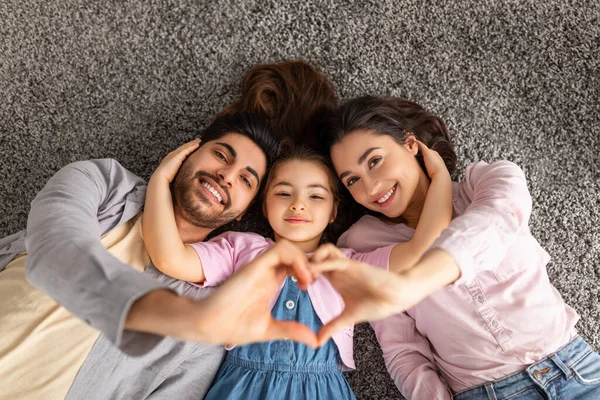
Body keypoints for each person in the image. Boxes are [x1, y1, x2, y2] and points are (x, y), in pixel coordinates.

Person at [0, 60, 344, 399]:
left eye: (246, 179)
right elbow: (54, 249)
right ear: (189, 150)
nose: (227, 175)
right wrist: (159, 181)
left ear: (246, 212)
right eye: (222, 155)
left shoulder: (206, 334)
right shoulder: (104, 184)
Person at [315, 95, 600, 399]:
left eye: (374, 161)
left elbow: (490, 225)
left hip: (578, 370)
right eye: (352, 181)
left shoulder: (487, 181)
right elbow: (403, 351)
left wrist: (416, 280)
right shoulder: (362, 245)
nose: (370, 188)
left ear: (411, 145)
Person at [136, 134, 451, 399]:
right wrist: (160, 179)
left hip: (322, 388)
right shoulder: (239, 248)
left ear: (332, 211)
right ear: (264, 204)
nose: (298, 204)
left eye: (315, 196)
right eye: (284, 193)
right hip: (244, 385)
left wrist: (440, 179)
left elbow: (421, 252)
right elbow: (169, 258)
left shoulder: (347, 264)